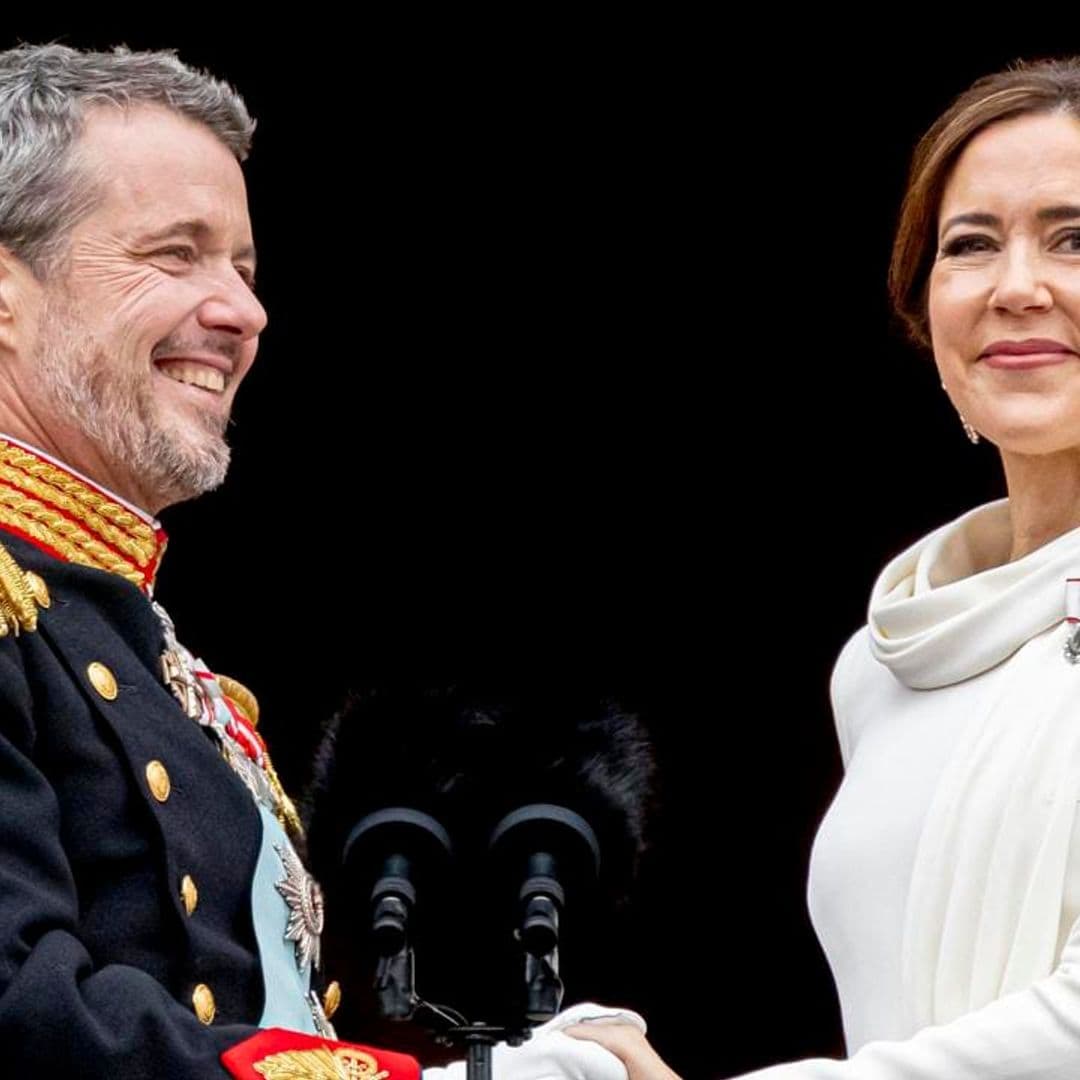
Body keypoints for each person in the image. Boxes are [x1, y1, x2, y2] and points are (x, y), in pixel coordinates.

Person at [0, 42, 681, 1080]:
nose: (241, 311)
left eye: (243, 266)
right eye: (174, 255)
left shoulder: (136, 640)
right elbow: (23, 1016)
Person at [732, 54, 1080, 1079]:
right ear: (923, 311)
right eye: (970, 246)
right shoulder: (884, 662)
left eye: (1075, 239)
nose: (1017, 287)